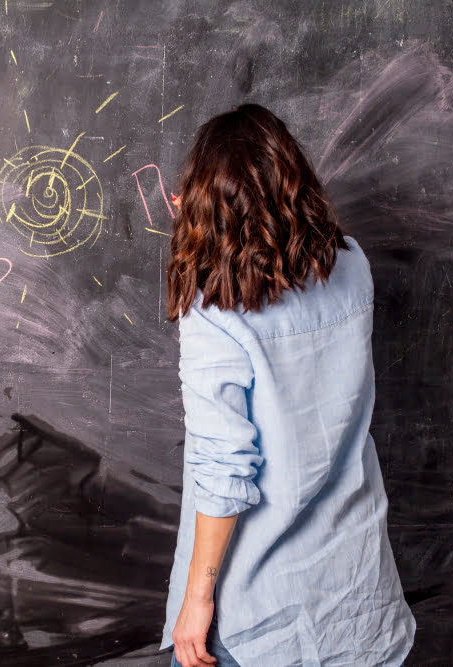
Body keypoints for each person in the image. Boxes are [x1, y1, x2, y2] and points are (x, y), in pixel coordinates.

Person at [162, 104, 415, 666]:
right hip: (356, 588)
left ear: (206, 202)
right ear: (294, 180)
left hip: (259, 607)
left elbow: (225, 468)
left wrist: (197, 597)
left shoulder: (213, 309)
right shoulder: (352, 265)